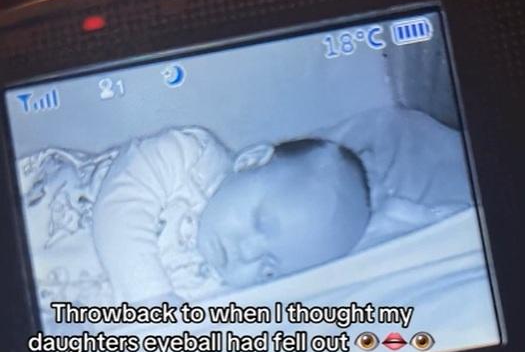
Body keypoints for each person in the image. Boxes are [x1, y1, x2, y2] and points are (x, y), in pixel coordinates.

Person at [90, 106, 471, 304]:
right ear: (250, 161)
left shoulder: (219, 287)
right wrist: (150, 298)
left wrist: (399, 217)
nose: (247, 254)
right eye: (260, 222)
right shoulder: (188, 158)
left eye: (269, 267)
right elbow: (121, 205)